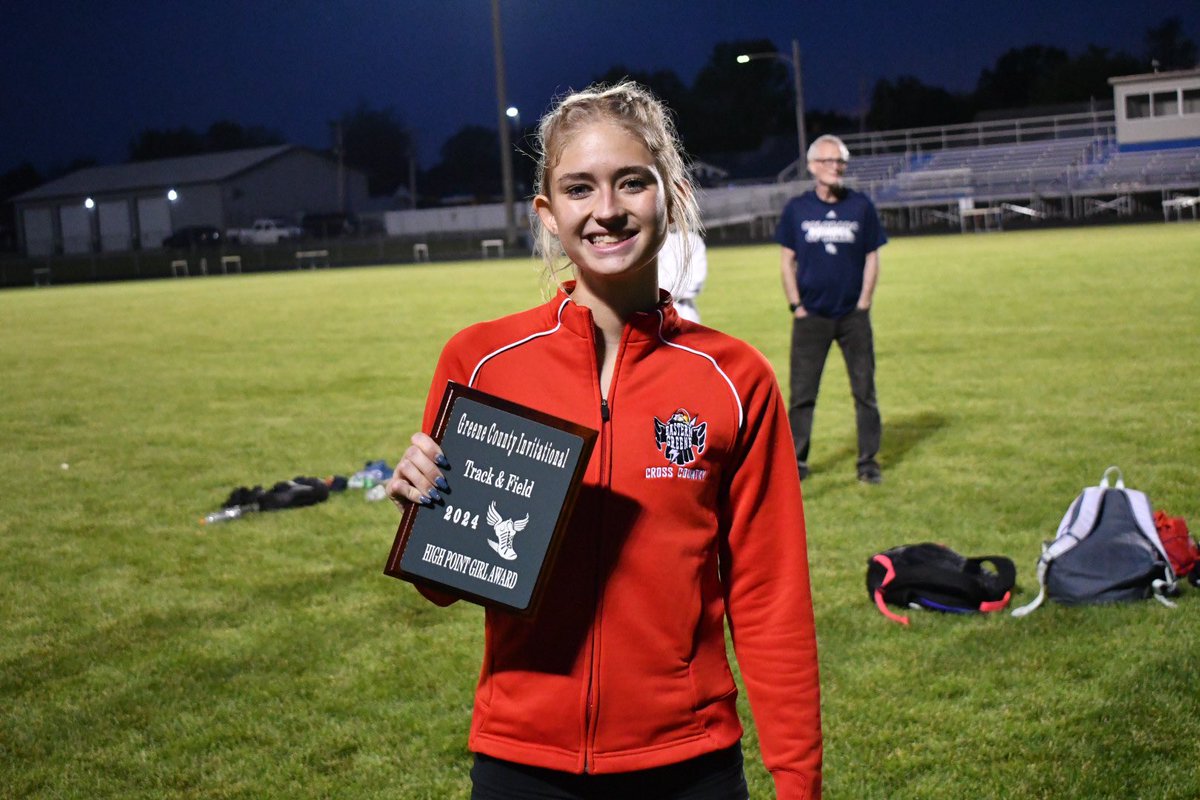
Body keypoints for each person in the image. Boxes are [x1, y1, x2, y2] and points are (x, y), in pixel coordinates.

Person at [387, 82, 822, 799]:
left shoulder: (734, 378)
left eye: (631, 182)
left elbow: (770, 598)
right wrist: (423, 509)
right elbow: (443, 585)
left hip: (691, 763)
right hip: (523, 760)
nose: (607, 210)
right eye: (578, 188)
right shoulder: (482, 362)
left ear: (672, 195)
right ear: (548, 214)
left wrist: (799, 782)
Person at [776, 134, 887, 484]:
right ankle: (797, 462)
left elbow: (872, 256)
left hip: (853, 317)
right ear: (812, 166)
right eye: (828, 161)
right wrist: (796, 305)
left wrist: (864, 302)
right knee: (802, 394)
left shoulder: (860, 206)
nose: (836, 167)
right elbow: (786, 261)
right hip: (812, 317)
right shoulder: (797, 209)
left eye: (840, 162)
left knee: (864, 392)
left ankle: (868, 462)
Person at [658, 227, 708, 323]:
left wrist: (659, 288)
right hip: (651, 320)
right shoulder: (648, 241)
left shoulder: (692, 241)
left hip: (685, 316)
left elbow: (693, 286)